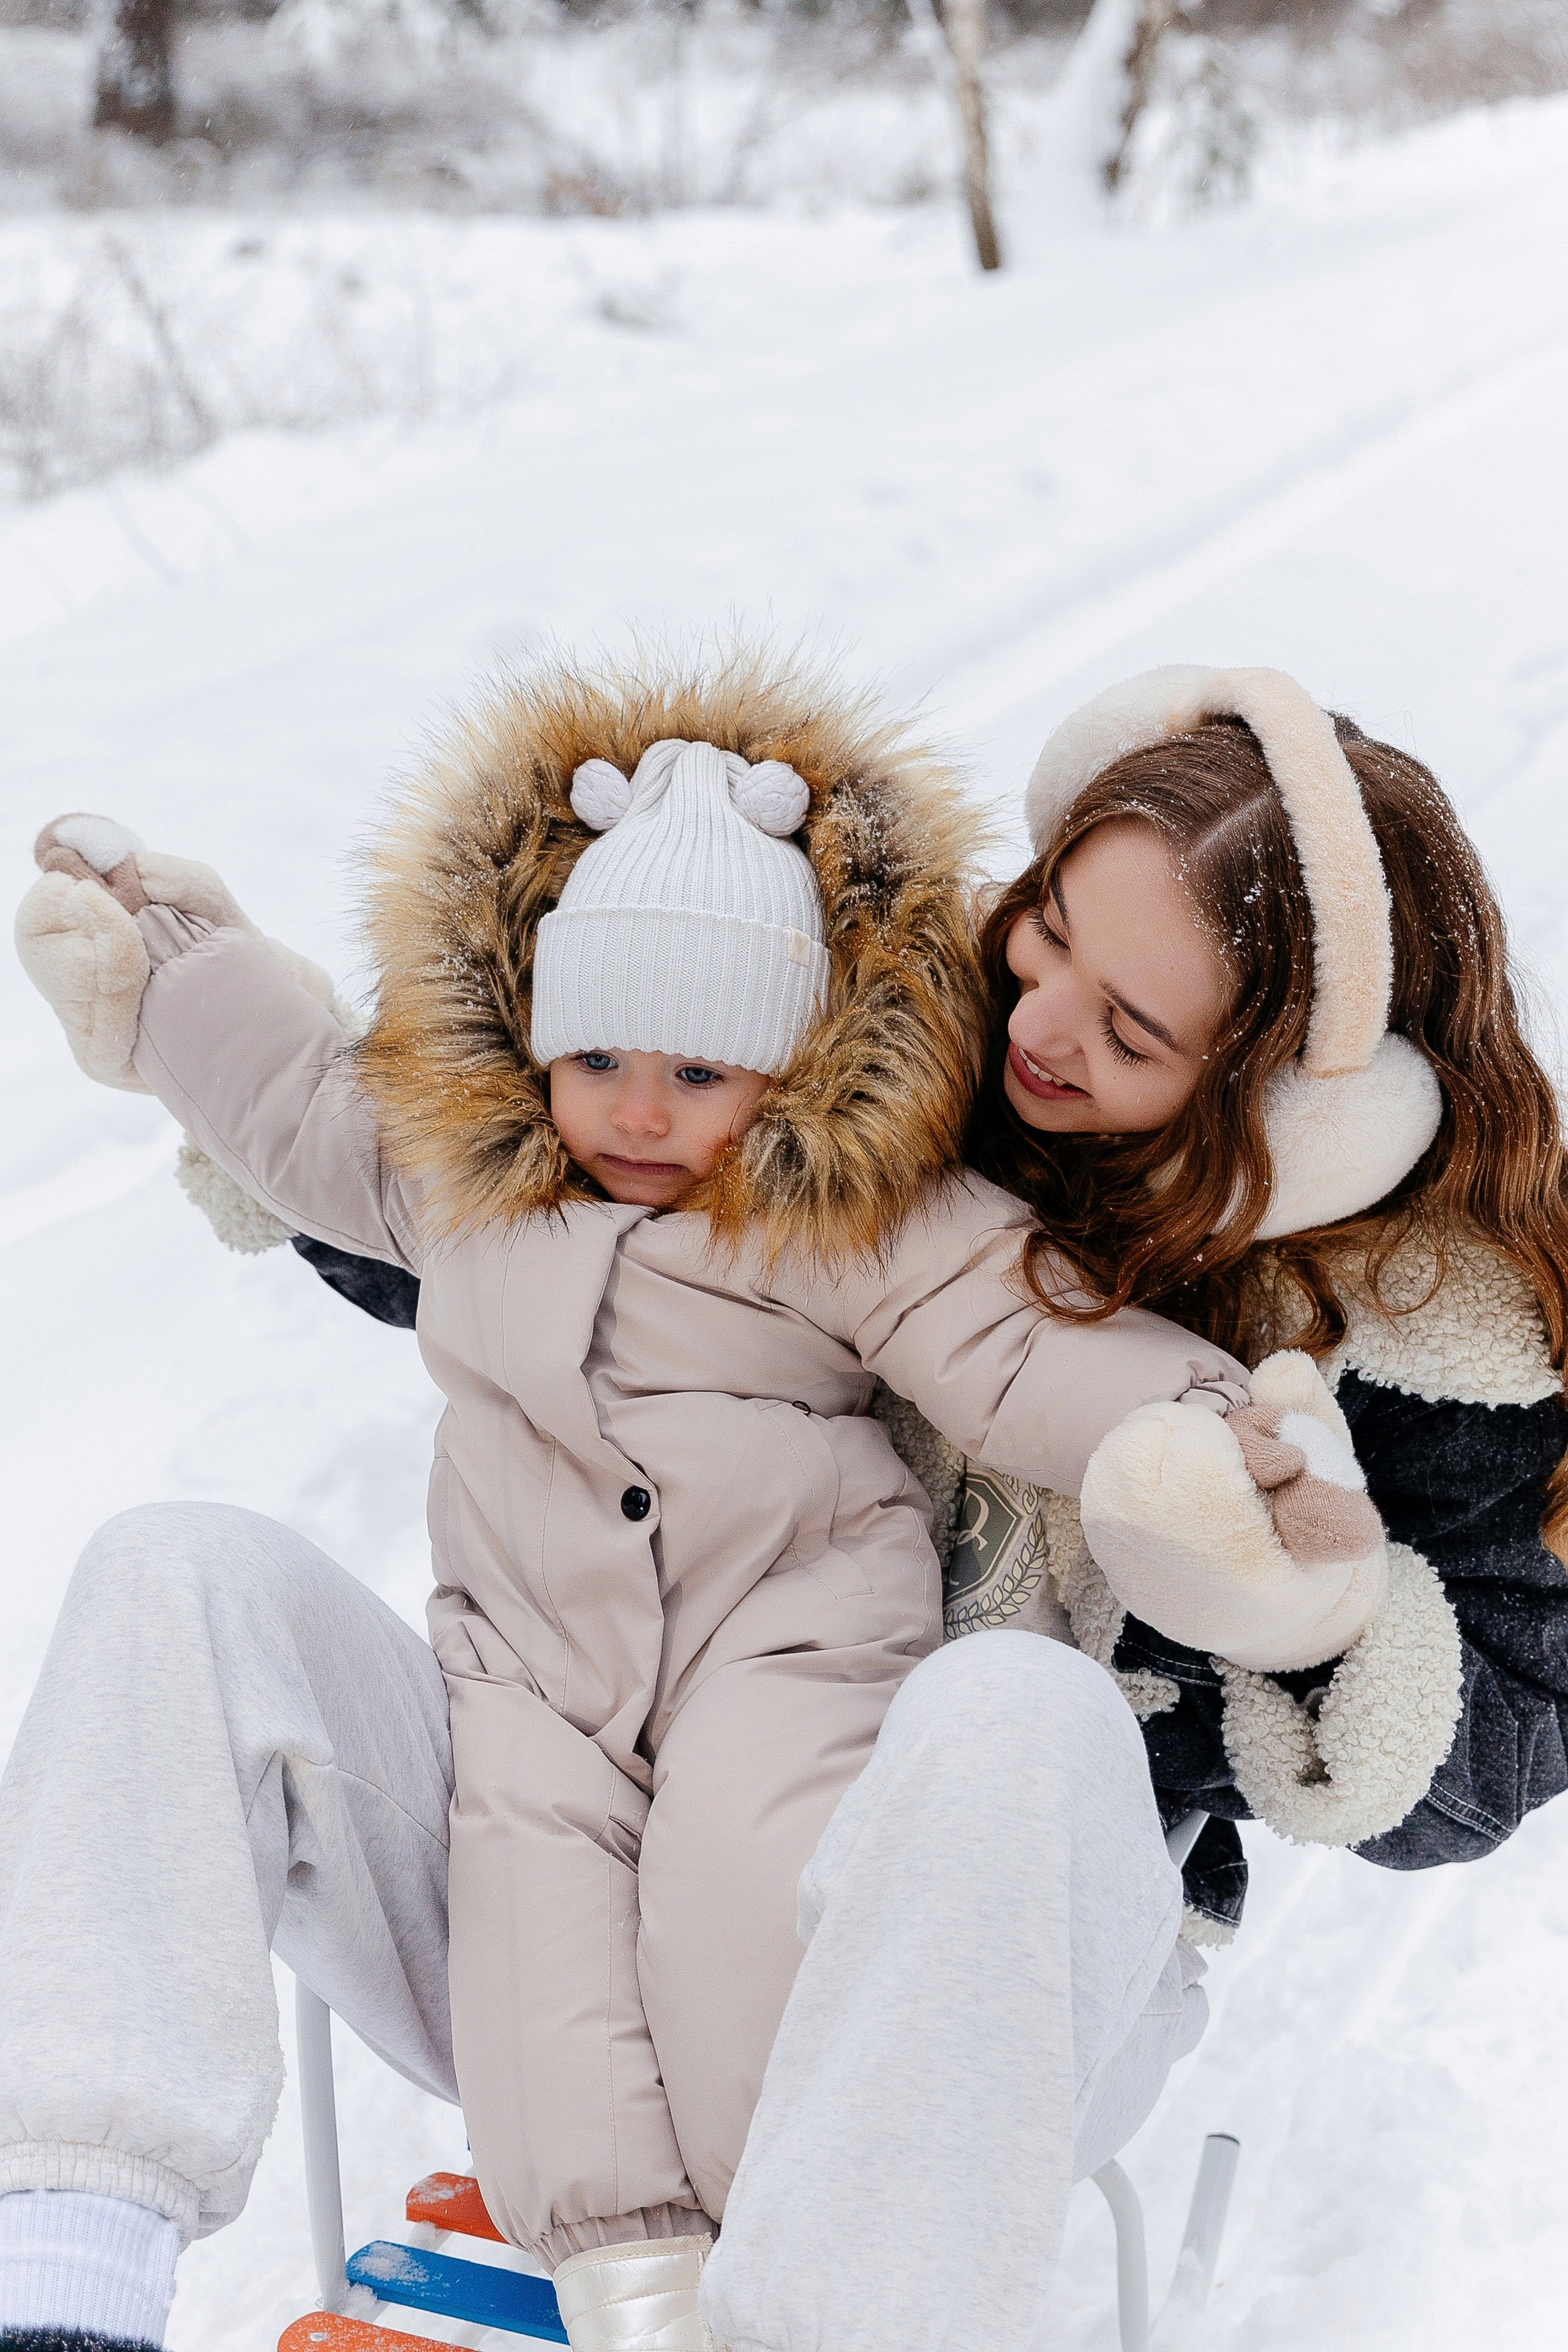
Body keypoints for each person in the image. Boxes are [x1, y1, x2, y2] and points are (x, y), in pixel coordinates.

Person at [0, 654, 1362, 2352]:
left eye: (706, 1075)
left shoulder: (853, 1222)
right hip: (529, 1748)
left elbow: (1023, 1342)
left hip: (820, 1796)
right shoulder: (468, 1181)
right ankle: (67, 2275)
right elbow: (298, 1101)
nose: (642, 1112)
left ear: (790, 1072)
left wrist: (1224, 1448)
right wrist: (169, 974)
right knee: (173, 1572)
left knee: (839, 1808)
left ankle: (810, 2297)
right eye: (602, 1058)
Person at [695, 665, 1568, 2352]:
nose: (1039, 1026)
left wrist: (1307, 1615)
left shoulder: (1427, 1334)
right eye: (1048, 939)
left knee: (1006, 1704)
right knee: (189, 1589)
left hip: (1028, 1994)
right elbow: (587, 1233)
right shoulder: (904, 1048)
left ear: (1293, 1106)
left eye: (1133, 1029)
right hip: (682, 1853)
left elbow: (1506, 1745)